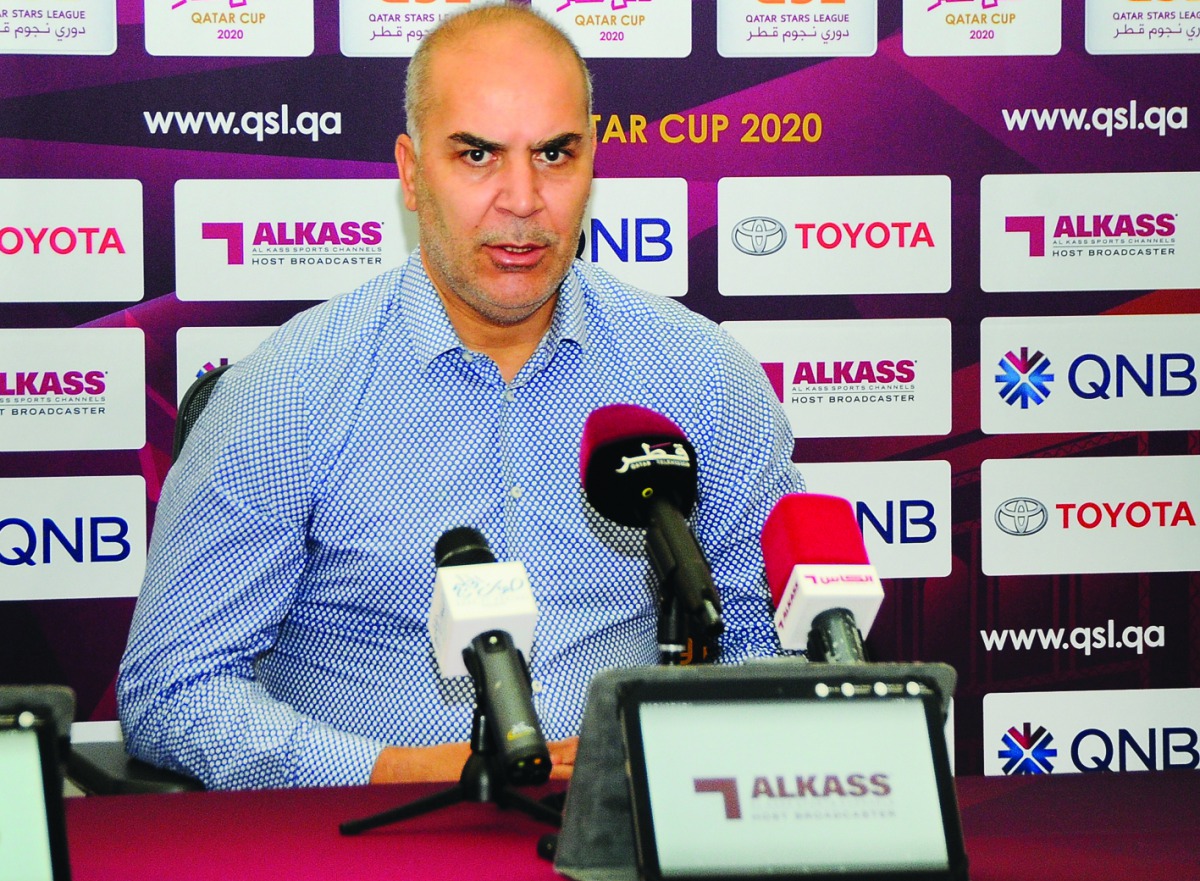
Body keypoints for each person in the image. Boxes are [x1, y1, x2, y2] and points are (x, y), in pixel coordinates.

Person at [117, 4, 803, 790]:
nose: (522, 199)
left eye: (554, 154)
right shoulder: (287, 392)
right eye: (478, 155)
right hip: (381, 831)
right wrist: (407, 772)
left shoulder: (703, 376)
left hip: (629, 825)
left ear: (592, 162)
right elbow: (171, 687)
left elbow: (769, 645)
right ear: (412, 173)